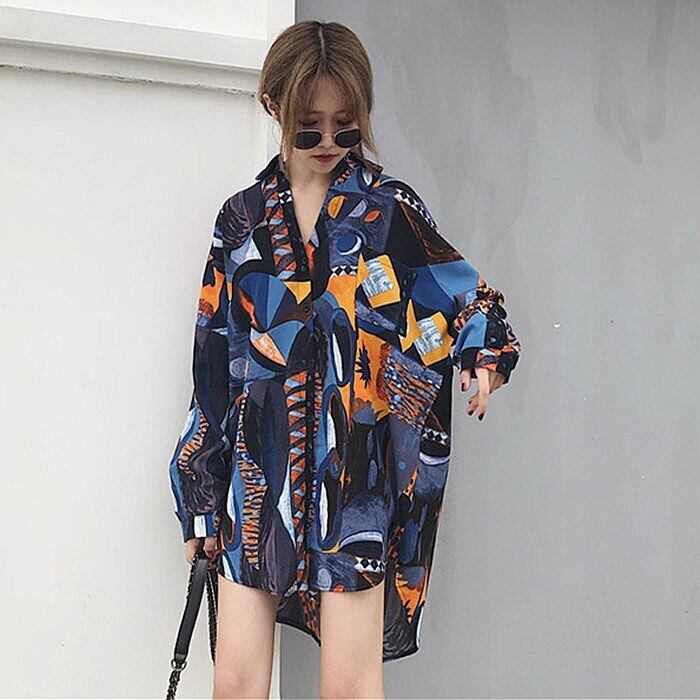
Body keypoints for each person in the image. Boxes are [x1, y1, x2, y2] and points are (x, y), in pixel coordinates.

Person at [167, 19, 522, 700]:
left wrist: (481, 354)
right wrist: (202, 497)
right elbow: (212, 364)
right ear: (273, 107)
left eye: (345, 126)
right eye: (309, 128)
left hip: (353, 483)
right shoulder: (241, 223)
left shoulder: (387, 212)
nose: (328, 142)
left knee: (349, 688)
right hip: (256, 479)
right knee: (235, 683)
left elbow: (464, 295)